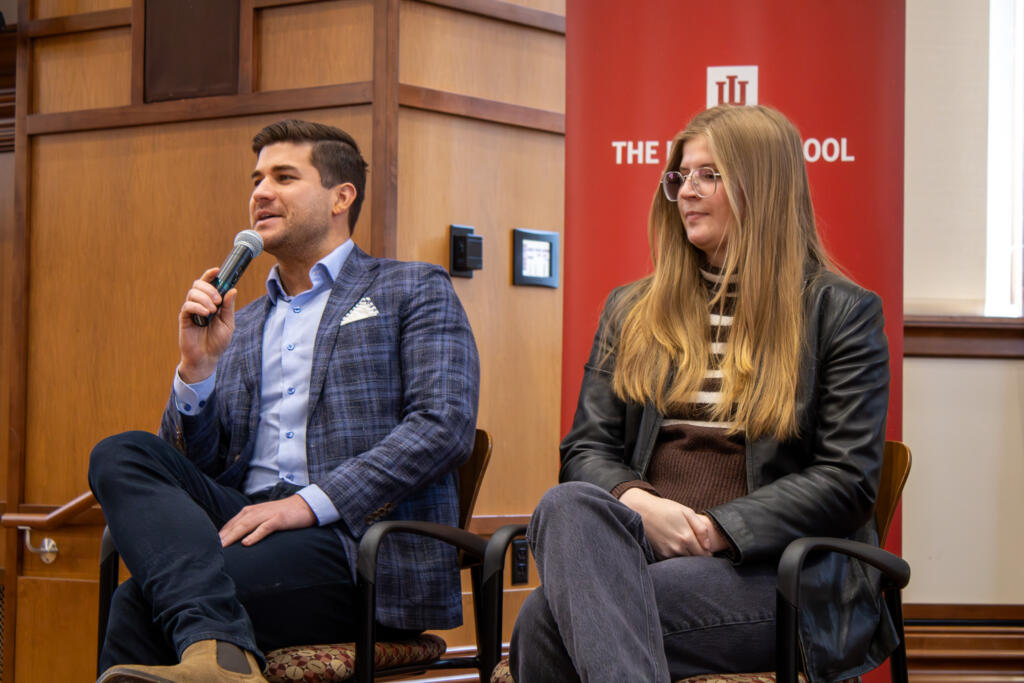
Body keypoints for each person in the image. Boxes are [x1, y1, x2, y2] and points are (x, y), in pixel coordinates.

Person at [509, 105, 897, 683]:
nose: (686, 191)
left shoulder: (839, 312)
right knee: (563, 505)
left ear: (761, 186)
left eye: (709, 175)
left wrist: (712, 530)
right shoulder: (632, 308)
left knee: (545, 619)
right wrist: (643, 507)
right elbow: (585, 450)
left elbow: (846, 480)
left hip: (775, 575)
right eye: (680, 176)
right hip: (641, 545)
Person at [89, 119, 480, 682]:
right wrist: (197, 370)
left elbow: (443, 426)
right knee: (120, 453)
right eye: (256, 179)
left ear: (341, 196)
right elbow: (197, 471)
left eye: (284, 176)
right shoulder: (240, 323)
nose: (259, 192)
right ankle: (220, 651)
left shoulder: (411, 289)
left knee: (138, 603)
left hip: (355, 544)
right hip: (249, 522)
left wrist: (308, 503)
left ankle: (218, 652)